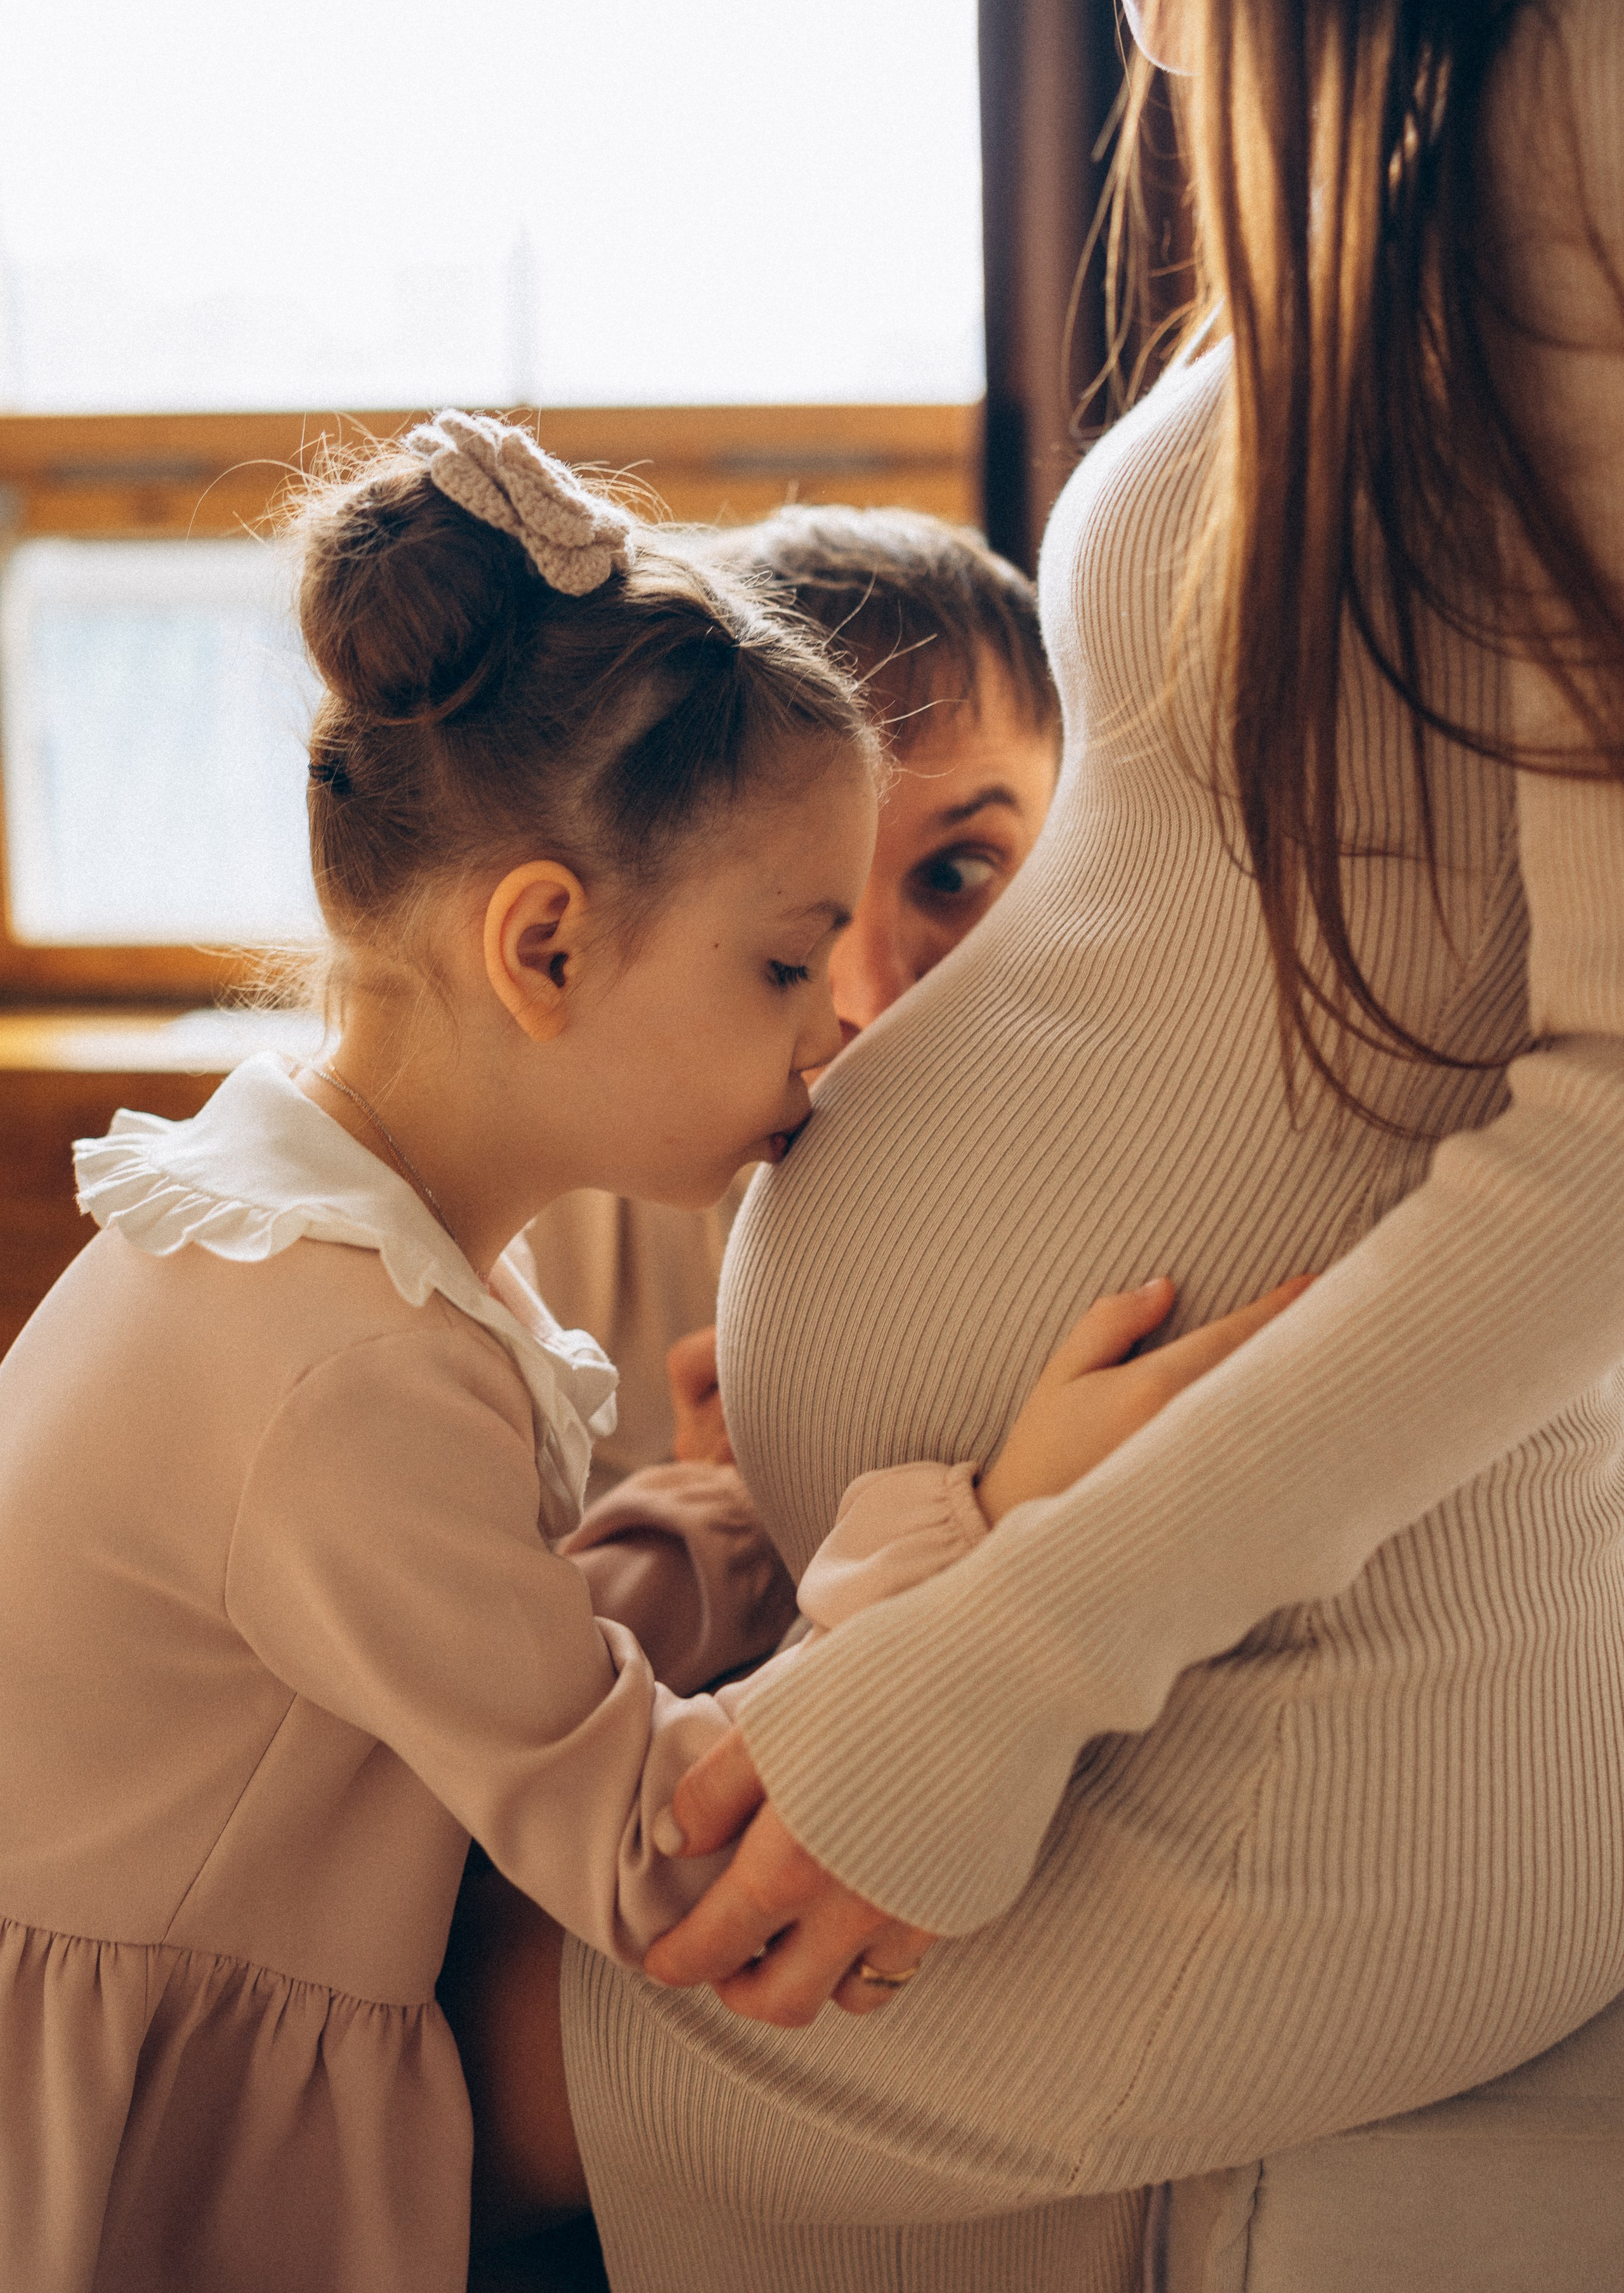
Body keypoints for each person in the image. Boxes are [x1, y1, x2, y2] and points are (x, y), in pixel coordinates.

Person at [508, 0, 1624, 2292]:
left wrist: (996, 1675)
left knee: (349, 2045)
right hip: (1174, 1669)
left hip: (1277, 1749)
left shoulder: (1596, 95)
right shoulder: (1468, 129)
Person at [0, 410, 1297, 2293]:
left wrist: (742, 1533)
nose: (835, 1018)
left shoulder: (328, 1229)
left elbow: (479, 1659)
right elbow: (670, 1871)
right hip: (129, 2148)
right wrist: (997, 1520)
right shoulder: (341, 1362)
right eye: (784, 962)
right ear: (546, 949)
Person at [517, 502, 1060, 1498]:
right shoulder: (553, 1200)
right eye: (797, 927)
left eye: (956, 876)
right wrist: (733, 1514)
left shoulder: (1120, 1157)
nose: (872, 1003)